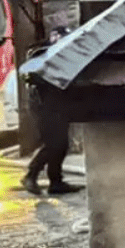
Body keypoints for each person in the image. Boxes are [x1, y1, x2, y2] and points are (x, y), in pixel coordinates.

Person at [22, 35, 79, 196]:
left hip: (57, 106)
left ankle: (56, 181)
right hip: (44, 107)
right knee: (53, 144)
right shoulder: (42, 56)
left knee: (61, 145)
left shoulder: (61, 56)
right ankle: (31, 175)